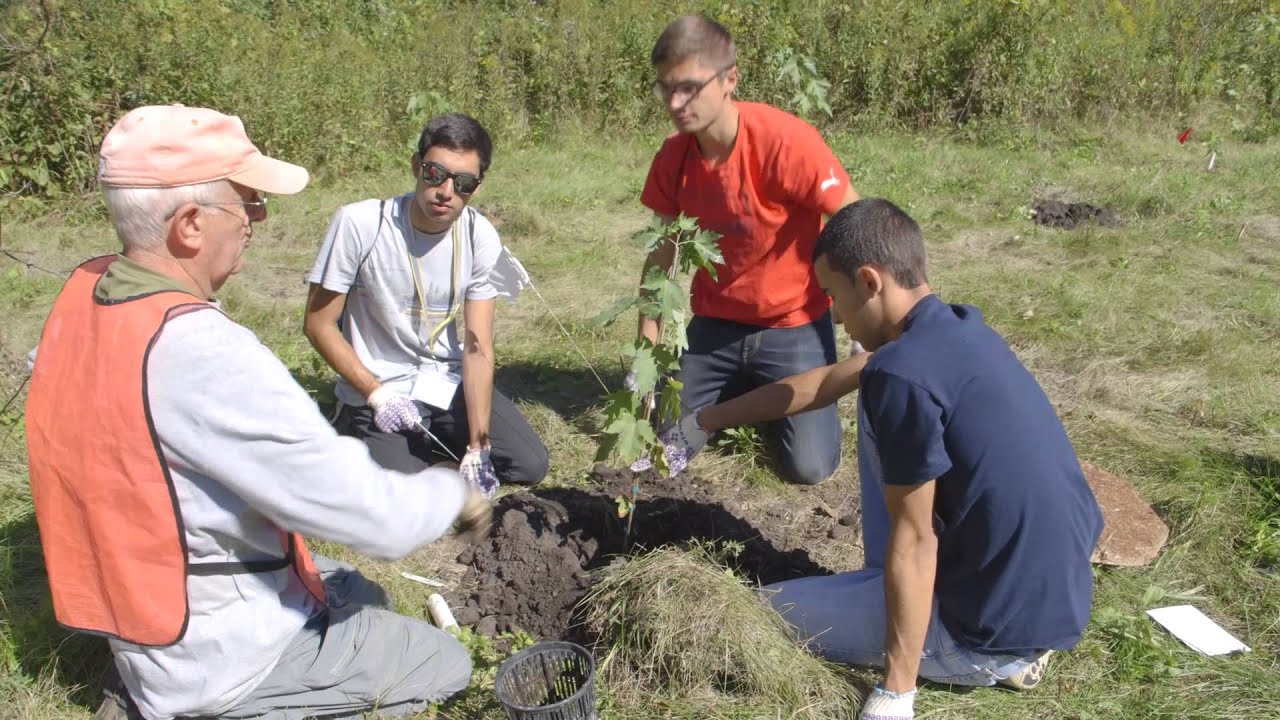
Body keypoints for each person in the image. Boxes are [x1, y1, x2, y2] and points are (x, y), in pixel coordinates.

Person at [24, 104, 491, 720]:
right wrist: (449, 497)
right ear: (189, 224)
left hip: (149, 595)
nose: (259, 220)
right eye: (247, 203)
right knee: (444, 662)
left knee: (365, 594)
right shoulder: (203, 354)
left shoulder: (86, 297)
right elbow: (367, 514)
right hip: (217, 657)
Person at [653, 199, 1104, 720]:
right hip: (1050, 596)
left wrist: (896, 692)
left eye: (832, 296)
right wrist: (704, 421)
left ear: (869, 282)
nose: (834, 314)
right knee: (873, 387)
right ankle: (895, 592)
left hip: (983, 633)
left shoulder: (902, 376)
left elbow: (914, 541)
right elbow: (824, 383)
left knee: (752, 611)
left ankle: (992, 660)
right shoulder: (957, 331)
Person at [633, 14, 859, 485]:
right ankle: (747, 389)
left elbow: (855, 221)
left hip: (792, 322)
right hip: (716, 323)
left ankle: (765, 390)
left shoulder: (786, 141)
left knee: (808, 468)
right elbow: (661, 259)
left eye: (690, 88)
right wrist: (646, 352)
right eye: (666, 89)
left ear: (730, 79)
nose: (675, 104)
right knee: (665, 448)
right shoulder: (674, 159)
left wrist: (862, 319)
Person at [304, 112, 549, 496]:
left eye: (464, 183)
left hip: (443, 381)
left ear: (477, 186)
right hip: (381, 388)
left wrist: (479, 445)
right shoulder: (360, 224)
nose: (447, 191)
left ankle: (439, 452)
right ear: (417, 166)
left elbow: (477, 345)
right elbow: (318, 324)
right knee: (405, 491)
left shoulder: (478, 234)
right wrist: (375, 393)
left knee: (529, 464)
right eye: (436, 174)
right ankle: (355, 425)